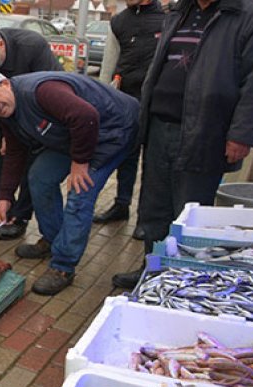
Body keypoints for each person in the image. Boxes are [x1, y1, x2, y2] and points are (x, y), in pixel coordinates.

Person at [111, 0, 253, 288]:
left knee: (189, 214)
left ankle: (183, 280)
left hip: (206, 133)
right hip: (158, 127)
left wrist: (241, 134)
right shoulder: (179, 11)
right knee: (154, 212)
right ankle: (153, 271)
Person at [0, 70, 139, 295]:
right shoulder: (8, 114)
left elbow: (85, 115)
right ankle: (53, 239)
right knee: (39, 177)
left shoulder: (41, 91)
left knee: (80, 192)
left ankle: (63, 266)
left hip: (112, 130)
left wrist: (80, 162)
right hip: (77, 134)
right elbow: (15, 152)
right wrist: (5, 197)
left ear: (6, 84)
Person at [0, 26, 63, 240]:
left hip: (35, 112)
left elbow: (50, 86)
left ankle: (20, 216)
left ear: (0, 45)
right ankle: (3, 206)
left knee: (30, 161)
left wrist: (18, 133)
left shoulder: (32, 46)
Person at [92, 0, 165, 240]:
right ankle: (121, 205)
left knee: (153, 163)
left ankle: (146, 218)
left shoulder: (168, 18)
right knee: (127, 157)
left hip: (157, 102)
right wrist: (103, 99)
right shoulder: (118, 22)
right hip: (127, 101)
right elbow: (108, 64)